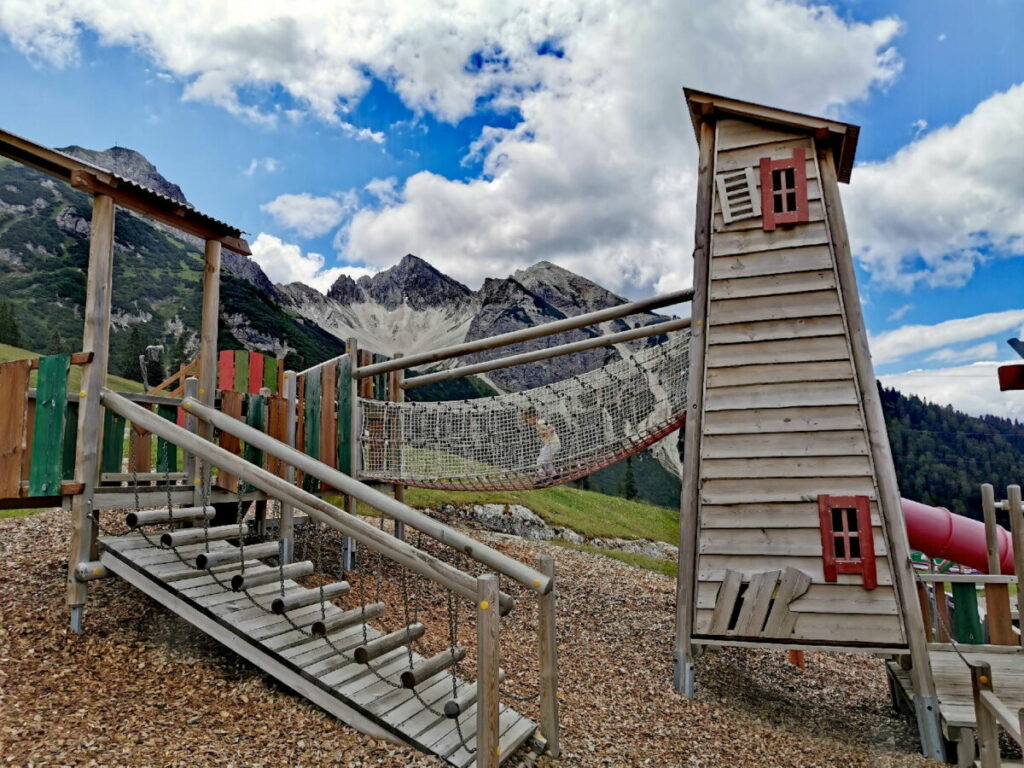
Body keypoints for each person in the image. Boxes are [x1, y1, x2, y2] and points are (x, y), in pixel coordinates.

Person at [523, 406, 560, 479]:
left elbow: (551, 428)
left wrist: (546, 431)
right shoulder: (538, 424)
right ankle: (554, 475)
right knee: (545, 459)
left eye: (528, 420)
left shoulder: (540, 422)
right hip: (551, 444)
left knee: (541, 460)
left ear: (533, 417)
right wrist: (543, 432)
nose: (527, 423)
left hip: (552, 444)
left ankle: (541, 477)